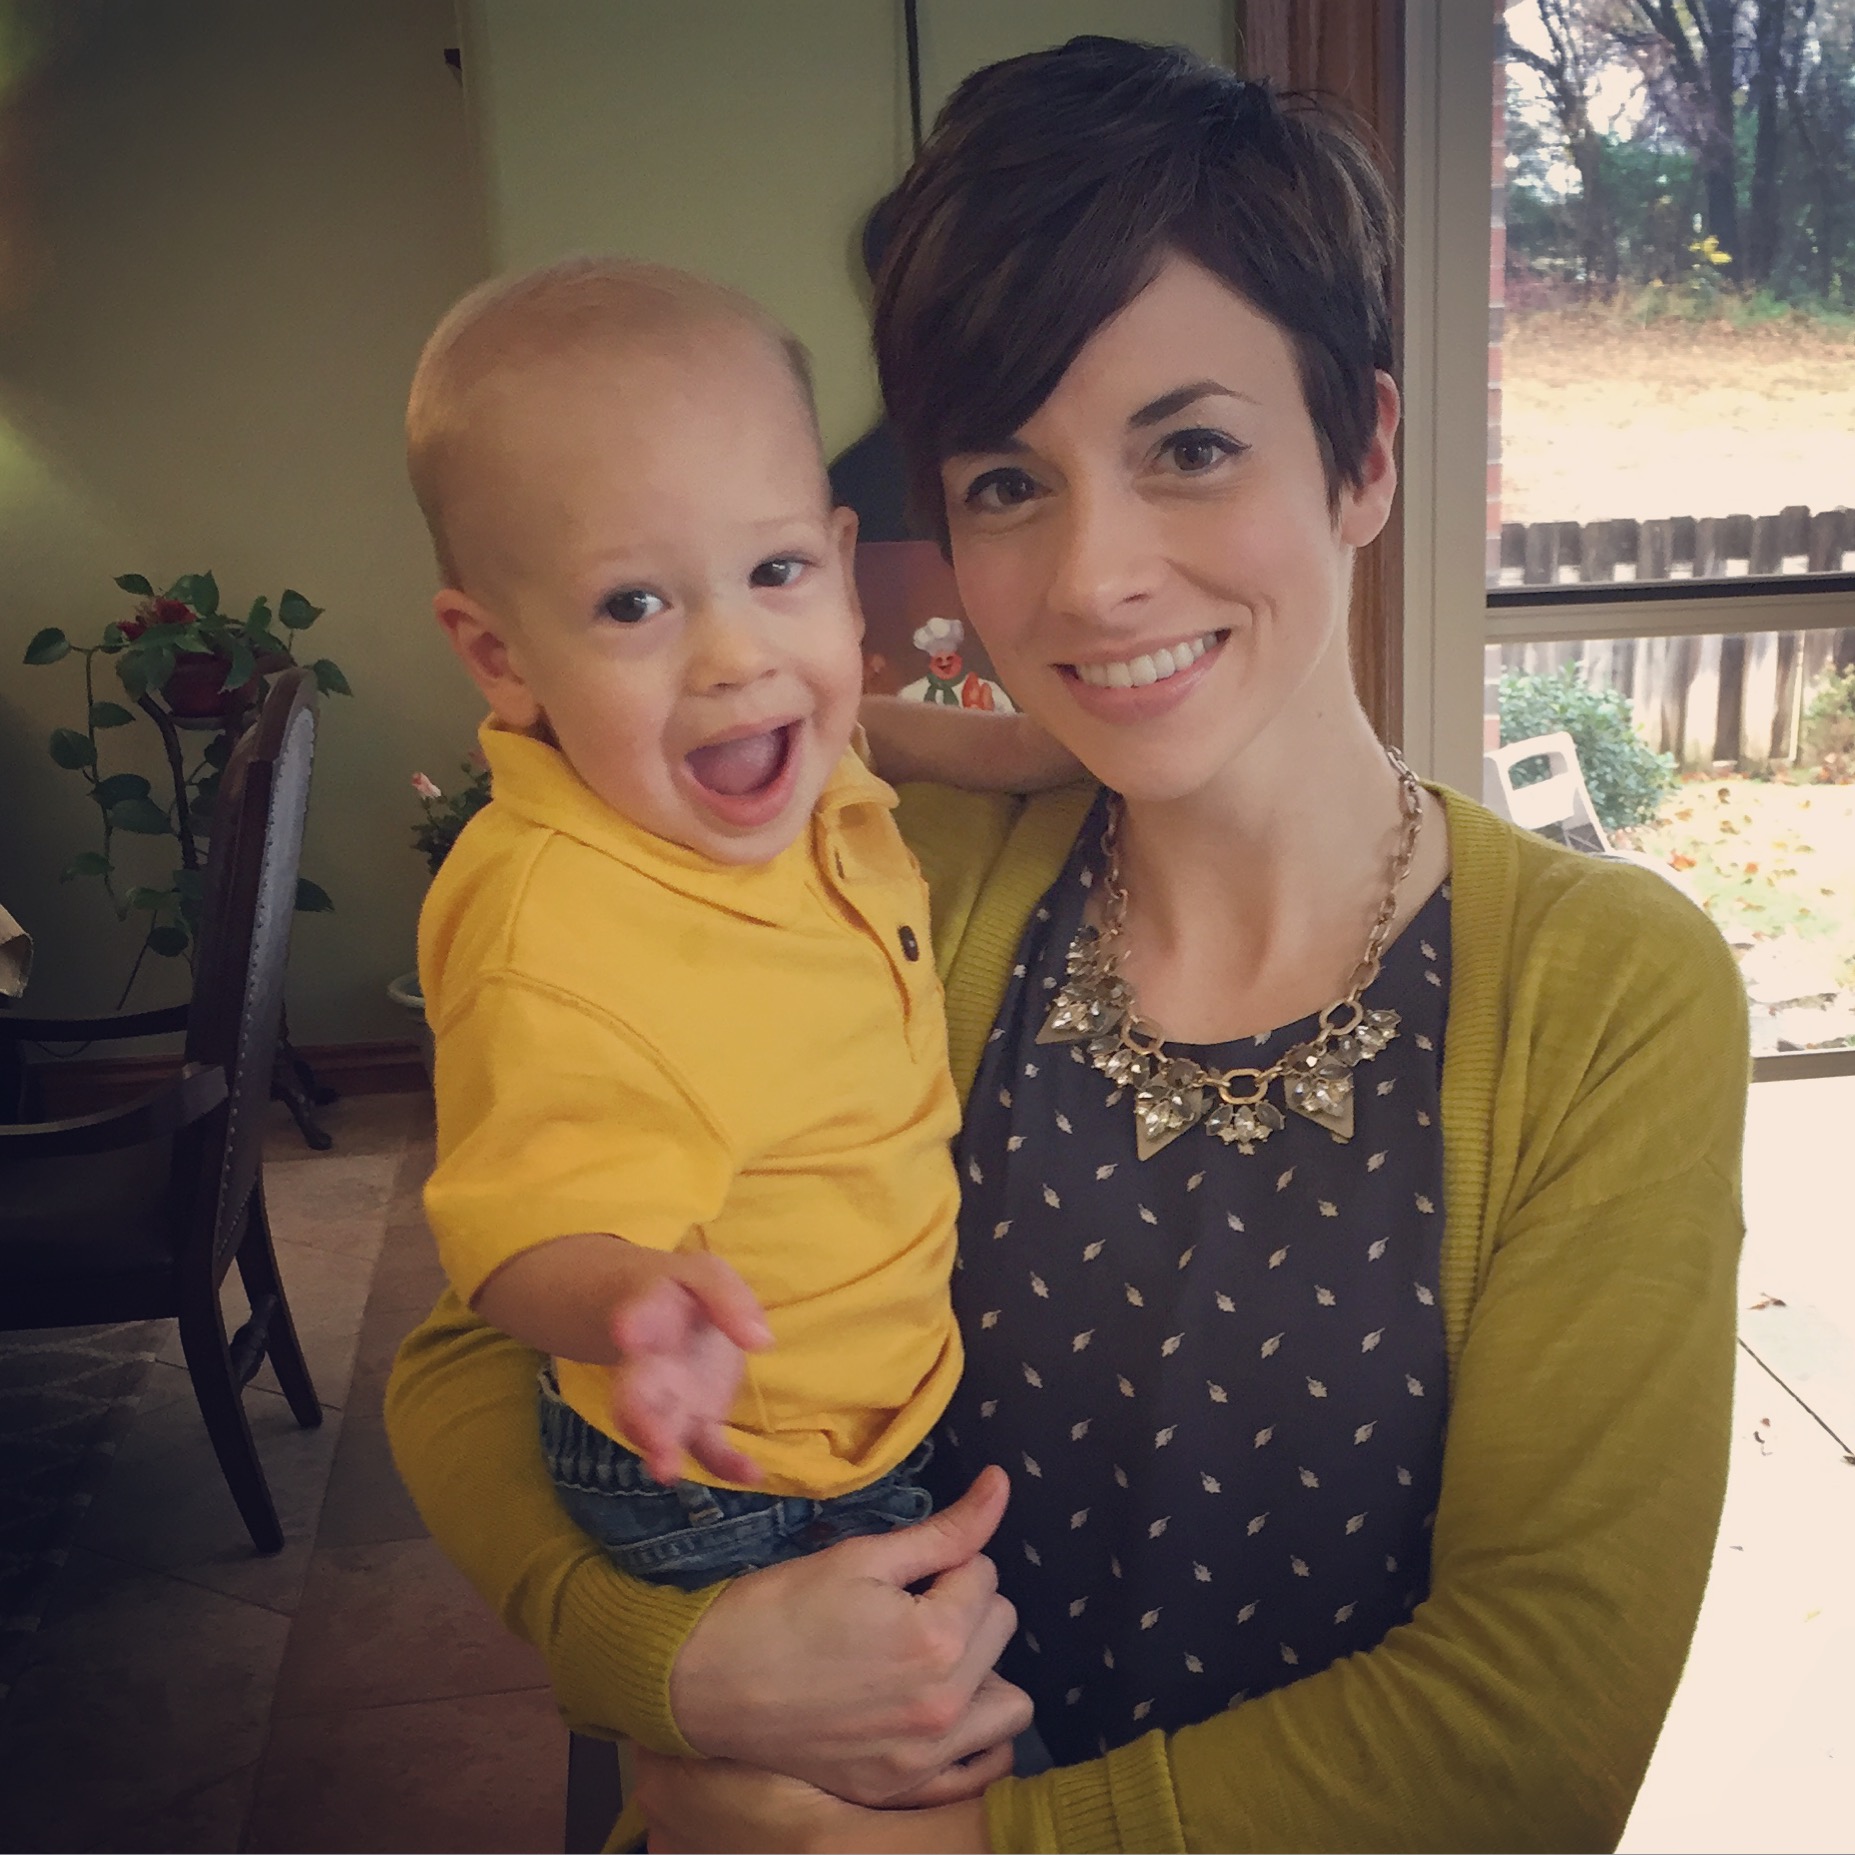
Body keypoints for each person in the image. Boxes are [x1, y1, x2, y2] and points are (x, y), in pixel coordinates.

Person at [385, 38, 1750, 1853]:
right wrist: (682, 1667)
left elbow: (1537, 1722)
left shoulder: (1602, 994)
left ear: (1364, 454)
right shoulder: (875, 875)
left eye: (1191, 447)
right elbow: (474, 1358)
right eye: (1009, 484)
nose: (1095, 576)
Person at [402, 259, 1063, 1611]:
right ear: (500, 656)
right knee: (896, 1722)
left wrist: (1044, 750)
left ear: (838, 563)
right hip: (729, 1474)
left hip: (870, 1412)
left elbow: (878, 734)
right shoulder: (561, 931)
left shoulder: (777, 754)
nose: (735, 658)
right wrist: (633, 1305)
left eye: (774, 571)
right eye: (632, 605)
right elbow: (518, 1233)